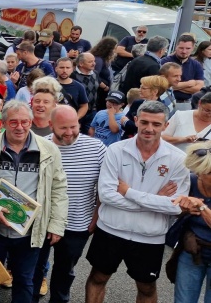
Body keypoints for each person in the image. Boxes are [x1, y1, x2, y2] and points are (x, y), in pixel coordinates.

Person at [85, 100, 189, 303]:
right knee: (97, 277)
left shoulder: (178, 159)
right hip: (111, 229)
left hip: (150, 236)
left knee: (147, 287)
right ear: (136, 121)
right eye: (145, 122)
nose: (149, 128)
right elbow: (106, 195)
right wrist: (156, 200)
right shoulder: (115, 150)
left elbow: (175, 206)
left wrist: (129, 192)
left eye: (156, 124)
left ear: (165, 126)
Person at [0, 100, 68, 303]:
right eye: (13, 122)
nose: (19, 127)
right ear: (3, 123)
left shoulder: (48, 150)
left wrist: (57, 224)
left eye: (24, 122)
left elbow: (59, 188)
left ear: (31, 122)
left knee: (24, 280)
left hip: (30, 231)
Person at [32, 105, 106, 303]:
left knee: (65, 271)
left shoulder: (96, 148)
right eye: (63, 128)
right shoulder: (38, 145)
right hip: (42, 221)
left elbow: (104, 186)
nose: (70, 132)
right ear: (50, 125)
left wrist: (96, 216)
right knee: (35, 269)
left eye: (74, 126)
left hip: (78, 222)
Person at [171, 142, 211, 303]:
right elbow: (173, 210)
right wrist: (184, 209)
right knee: (183, 300)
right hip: (193, 250)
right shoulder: (191, 181)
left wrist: (200, 206)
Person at [161, 33, 205, 111]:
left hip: (186, 104)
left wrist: (173, 87)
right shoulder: (164, 62)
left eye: (188, 48)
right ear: (176, 47)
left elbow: (199, 88)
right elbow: (162, 85)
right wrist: (188, 84)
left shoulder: (196, 65)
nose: (184, 51)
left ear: (193, 48)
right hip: (165, 102)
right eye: (181, 48)